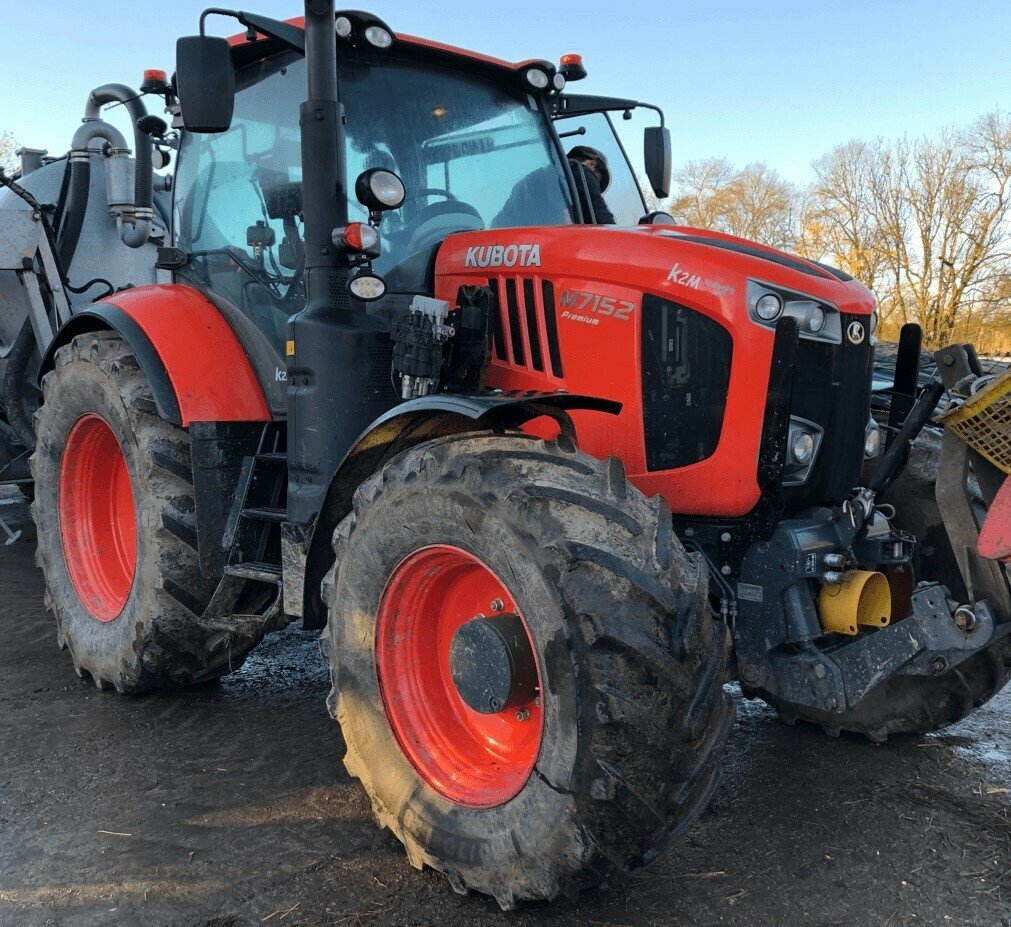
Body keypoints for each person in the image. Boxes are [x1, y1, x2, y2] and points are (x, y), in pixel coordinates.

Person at [567, 145, 616, 225]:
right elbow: (601, 215)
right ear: (591, 164)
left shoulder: (554, 176)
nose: (595, 185)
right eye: (596, 180)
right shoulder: (582, 172)